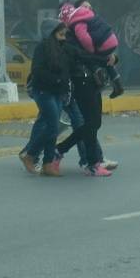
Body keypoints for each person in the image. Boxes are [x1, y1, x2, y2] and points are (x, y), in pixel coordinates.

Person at [18, 20, 71, 177]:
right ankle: (30, 154)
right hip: (43, 91)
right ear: (51, 33)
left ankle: (48, 164)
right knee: (52, 126)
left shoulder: (63, 49)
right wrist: (56, 80)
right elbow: (37, 71)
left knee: (53, 128)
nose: (63, 38)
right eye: (60, 34)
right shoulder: (42, 48)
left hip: (58, 93)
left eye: (64, 34)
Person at [54, 40, 113, 177]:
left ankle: (60, 150)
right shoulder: (70, 41)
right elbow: (83, 56)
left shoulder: (82, 37)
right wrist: (105, 59)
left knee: (94, 123)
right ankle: (92, 164)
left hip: (91, 82)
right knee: (91, 124)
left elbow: (90, 55)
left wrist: (108, 58)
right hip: (81, 83)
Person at [58, 0, 125, 98]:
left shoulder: (76, 23)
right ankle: (117, 83)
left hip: (85, 82)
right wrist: (109, 56)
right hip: (108, 44)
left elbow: (84, 47)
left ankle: (102, 78)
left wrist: (93, 53)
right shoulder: (89, 16)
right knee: (106, 61)